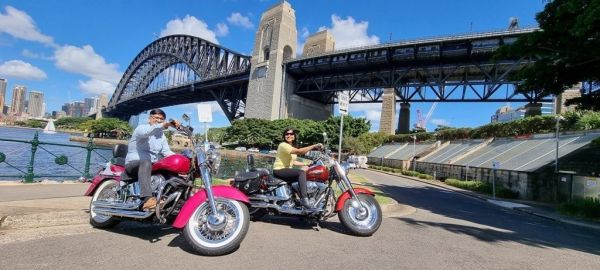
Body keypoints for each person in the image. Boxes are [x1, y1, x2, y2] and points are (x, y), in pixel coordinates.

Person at [125, 109, 179, 210]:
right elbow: (148, 132)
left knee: (171, 170)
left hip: (151, 165)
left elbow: (167, 152)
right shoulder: (141, 128)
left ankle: (174, 198)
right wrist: (165, 124)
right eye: (156, 118)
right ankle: (147, 199)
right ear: (150, 119)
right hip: (134, 163)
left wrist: (181, 158)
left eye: (161, 119)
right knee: (146, 162)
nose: (159, 120)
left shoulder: (161, 136)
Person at [272, 128, 322, 210]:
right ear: (284, 136)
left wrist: (308, 164)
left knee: (304, 175)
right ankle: (305, 200)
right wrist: (314, 145)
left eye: (291, 134)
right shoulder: (283, 145)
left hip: (285, 170)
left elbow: (293, 162)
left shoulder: (290, 147)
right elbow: (300, 151)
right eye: (286, 134)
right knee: (301, 173)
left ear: (294, 136)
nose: (289, 135)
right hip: (279, 169)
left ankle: (295, 200)